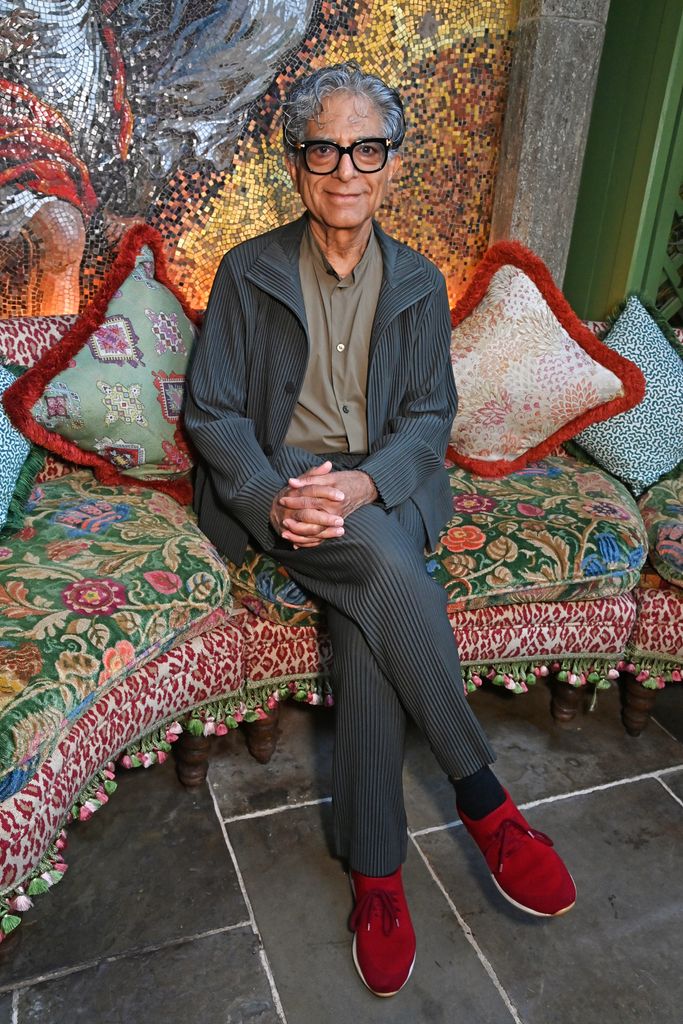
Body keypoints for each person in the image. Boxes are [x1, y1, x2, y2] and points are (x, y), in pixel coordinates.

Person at [185, 61, 576, 999]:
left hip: (379, 491)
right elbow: (212, 412)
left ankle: (378, 880)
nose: (345, 168)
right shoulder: (248, 270)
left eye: (368, 148)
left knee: (370, 603)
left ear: (392, 165)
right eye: (324, 147)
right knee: (387, 579)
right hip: (282, 489)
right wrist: (274, 494)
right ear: (297, 162)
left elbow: (429, 422)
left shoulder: (420, 280)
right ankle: (482, 804)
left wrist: (362, 483)